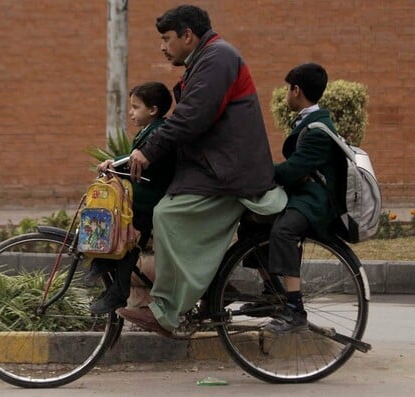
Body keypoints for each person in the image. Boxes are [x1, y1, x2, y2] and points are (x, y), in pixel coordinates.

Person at [117, 5, 286, 336]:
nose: (162, 47)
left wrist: (149, 151)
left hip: (230, 174)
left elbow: (192, 116)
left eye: (166, 39)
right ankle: (205, 293)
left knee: (168, 214)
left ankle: (167, 311)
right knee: (168, 209)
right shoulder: (206, 59)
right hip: (217, 167)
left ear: (187, 36)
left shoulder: (217, 58)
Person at [258, 62, 347, 333]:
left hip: (316, 202)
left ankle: (295, 310)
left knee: (284, 231)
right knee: (253, 222)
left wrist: (258, 170)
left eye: (288, 88)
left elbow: (292, 170)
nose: (286, 93)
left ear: (296, 90)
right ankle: (273, 291)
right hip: (303, 194)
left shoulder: (319, 129)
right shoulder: (311, 121)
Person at [87, 81, 176, 314]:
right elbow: (134, 159)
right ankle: (104, 262)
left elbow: (145, 164)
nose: (131, 112)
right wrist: (114, 163)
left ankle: (118, 288)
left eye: (136, 107)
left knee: (129, 240)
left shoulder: (159, 131)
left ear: (153, 110)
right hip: (144, 195)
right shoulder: (150, 130)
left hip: (150, 200)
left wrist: (118, 165)